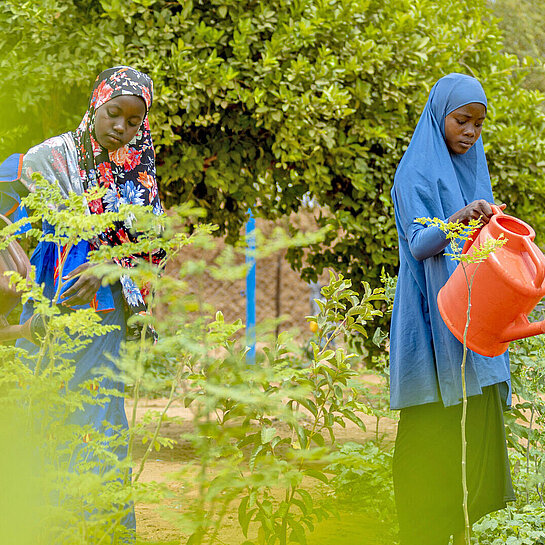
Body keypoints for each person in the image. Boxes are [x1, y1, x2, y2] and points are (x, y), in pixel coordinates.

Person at [11, 66, 165, 541]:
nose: (121, 127)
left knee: (99, 419)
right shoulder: (46, 159)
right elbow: (17, 230)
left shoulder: (137, 166)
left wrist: (110, 266)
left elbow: (151, 244)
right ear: (96, 104)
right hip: (44, 308)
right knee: (45, 411)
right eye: (114, 113)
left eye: (133, 121)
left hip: (105, 315)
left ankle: (105, 531)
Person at [389, 73, 515, 545]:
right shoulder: (415, 173)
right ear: (439, 116)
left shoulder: (474, 170)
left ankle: (476, 530)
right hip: (431, 317)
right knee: (432, 426)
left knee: (478, 424)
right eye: (462, 120)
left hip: (473, 319)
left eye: (478, 125)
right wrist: (460, 217)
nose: (470, 132)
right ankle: (426, 529)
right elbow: (421, 245)